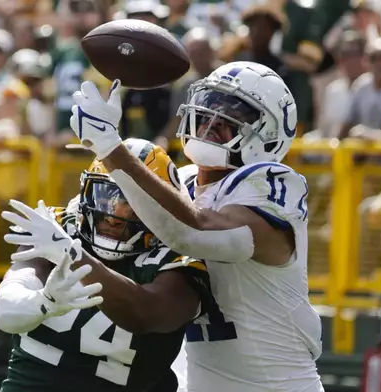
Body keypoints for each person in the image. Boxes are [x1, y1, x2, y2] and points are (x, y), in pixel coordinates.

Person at [66, 62, 324, 391]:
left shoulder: (269, 184)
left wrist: (112, 148)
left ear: (270, 138)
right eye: (209, 108)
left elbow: (193, 231)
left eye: (235, 115)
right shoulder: (178, 181)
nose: (213, 121)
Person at [0, 139, 213, 392]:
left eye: (133, 204)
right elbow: (6, 313)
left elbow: (145, 314)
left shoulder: (178, 259)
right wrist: (45, 302)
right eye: (106, 198)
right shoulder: (58, 228)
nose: (114, 216)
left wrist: (75, 256)